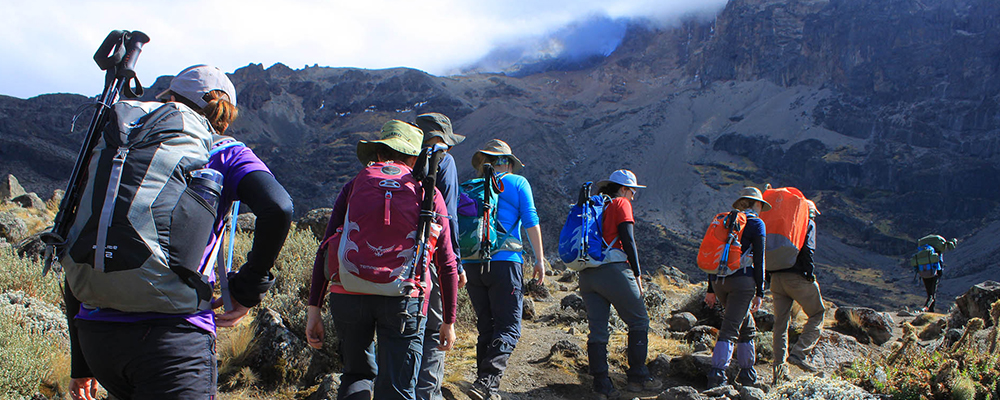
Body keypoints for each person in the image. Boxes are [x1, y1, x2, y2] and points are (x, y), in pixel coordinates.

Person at [69, 65, 294, 400]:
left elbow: (84, 239)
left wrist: (80, 363)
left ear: (171, 101)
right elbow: (279, 207)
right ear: (225, 115)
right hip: (172, 339)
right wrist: (248, 289)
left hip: (96, 336)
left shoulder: (118, 152)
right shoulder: (226, 153)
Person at [305, 120, 459, 400]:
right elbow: (446, 262)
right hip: (404, 299)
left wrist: (313, 308)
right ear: (416, 157)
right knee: (398, 388)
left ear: (377, 154)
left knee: (356, 375)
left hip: (348, 293)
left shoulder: (354, 186)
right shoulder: (428, 193)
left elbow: (325, 248)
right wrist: (448, 320)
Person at [464, 139, 545, 400]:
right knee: (509, 327)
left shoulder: (472, 187)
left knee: (486, 326)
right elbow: (531, 219)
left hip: (472, 263)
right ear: (508, 162)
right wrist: (540, 260)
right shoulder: (517, 183)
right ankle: (487, 382)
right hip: (505, 261)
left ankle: (484, 386)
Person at [581, 170, 662, 398]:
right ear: (623, 189)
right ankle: (638, 377)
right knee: (639, 321)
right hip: (613, 270)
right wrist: (637, 273)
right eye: (632, 191)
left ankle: (601, 385)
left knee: (597, 331)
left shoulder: (595, 205)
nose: (633, 196)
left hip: (587, 274)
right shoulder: (620, 203)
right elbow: (628, 239)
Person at [414, 112, 468, 400]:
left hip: (394, 263)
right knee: (435, 330)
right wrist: (455, 261)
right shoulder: (443, 161)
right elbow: (448, 216)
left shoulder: (402, 160)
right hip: (431, 258)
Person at [704, 187, 768, 388]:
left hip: (718, 281)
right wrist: (760, 291)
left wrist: (711, 289)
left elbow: (713, 254)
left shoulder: (725, 222)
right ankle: (717, 375)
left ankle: (747, 373)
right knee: (731, 327)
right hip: (742, 283)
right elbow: (759, 259)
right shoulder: (757, 223)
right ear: (756, 204)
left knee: (746, 324)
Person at [769, 199, 825, 383]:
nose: (814, 215)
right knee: (817, 313)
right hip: (797, 277)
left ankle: (779, 371)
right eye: (813, 212)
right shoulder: (807, 223)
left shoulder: (785, 227)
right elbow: (808, 250)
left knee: (781, 324)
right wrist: (809, 274)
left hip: (776, 279)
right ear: (808, 212)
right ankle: (799, 354)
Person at [910, 234, 958, 313]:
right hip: (934, 272)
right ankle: (927, 308)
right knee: (932, 293)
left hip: (923, 272)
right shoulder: (937, 253)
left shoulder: (923, 251)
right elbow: (939, 265)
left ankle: (930, 309)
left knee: (929, 291)